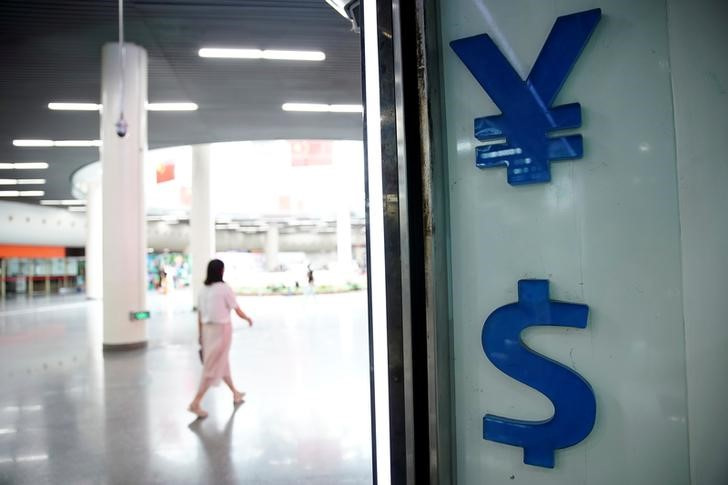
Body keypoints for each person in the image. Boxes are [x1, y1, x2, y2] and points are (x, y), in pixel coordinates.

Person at [188, 259, 253, 419]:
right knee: (211, 368)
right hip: (222, 330)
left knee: (221, 362)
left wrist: (200, 336)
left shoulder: (203, 289)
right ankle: (195, 402)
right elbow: (237, 309)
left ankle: (235, 393)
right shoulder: (224, 289)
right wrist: (248, 319)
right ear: (221, 271)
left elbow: (200, 315)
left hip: (207, 331)